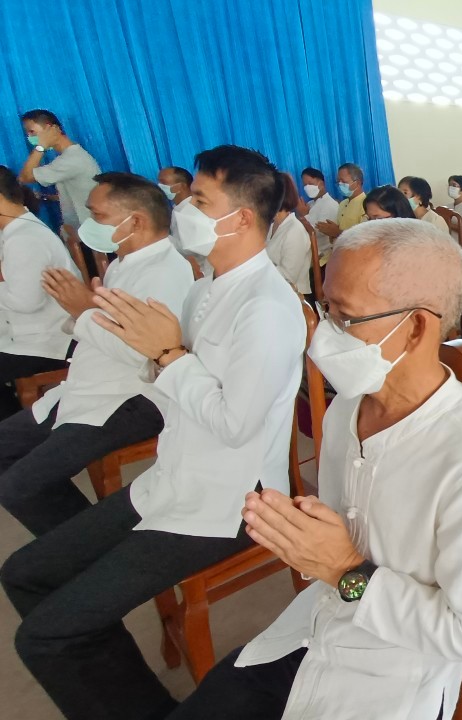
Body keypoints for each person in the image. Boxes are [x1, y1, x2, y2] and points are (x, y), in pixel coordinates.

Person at [0, 145, 305, 720]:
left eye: (199, 200)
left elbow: (236, 426)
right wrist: (154, 352)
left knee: (45, 636)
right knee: (25, 573)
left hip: (227, 506)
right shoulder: (204, 287)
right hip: (172, 480)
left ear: (240, 218)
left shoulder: (267, 307)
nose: (183, 208)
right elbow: (165, 375)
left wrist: (167, 354)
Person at [169, 219, 462, 720]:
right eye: (324, 308)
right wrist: (301, 535)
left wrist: (345, 570)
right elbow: (334, 538)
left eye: (343, 317)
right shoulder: (347, 408)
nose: (323, 333)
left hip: (395, 673)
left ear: (417, 326)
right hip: (314, 625)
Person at [0, 172, 194, 536]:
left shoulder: (166, 272)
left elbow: (141, 353)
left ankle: (82, 545)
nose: (88, 225)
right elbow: (101, 328)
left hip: (132, 399)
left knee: (17, 486)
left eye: (98, 216)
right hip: (90, 384)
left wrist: (84, 311)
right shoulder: (123, 263)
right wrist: (86, 313)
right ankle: (76, 537)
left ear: (135, 221)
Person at [0, 166, 79, 419]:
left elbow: (25, 303)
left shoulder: (25, 239)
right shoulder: (17, 232)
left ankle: (11, 433)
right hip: (31, 333)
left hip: (48, 342)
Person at [18, 110, 100, 228]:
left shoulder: (71, 159)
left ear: (50, 129)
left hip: (87, 231)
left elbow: (25, 177)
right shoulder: (72, 155)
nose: (29, 137)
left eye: (32, 132)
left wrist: (41, 146)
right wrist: (44, 197)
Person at [266, 172, 312, 294]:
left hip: (294, 295)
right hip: (273, 290)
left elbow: (289, 276)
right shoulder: (272, 226)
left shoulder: (294, 230)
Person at [314, 163, 366, 253]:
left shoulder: (366, 204)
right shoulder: (342, 204)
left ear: (357, 183)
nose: (340, 184)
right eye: (338, 182)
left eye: (344, 182)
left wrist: (337, 232)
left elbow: (365, 238)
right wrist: (330, 231)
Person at [301, 167, 340, 254]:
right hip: (311, 253)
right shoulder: (310, 204)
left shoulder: (330, 204)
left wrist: (304, 215)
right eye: (305, 185)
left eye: (310, 183)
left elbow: (318, 232)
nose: (307, 187)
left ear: (321, 184)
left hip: (324, 255)